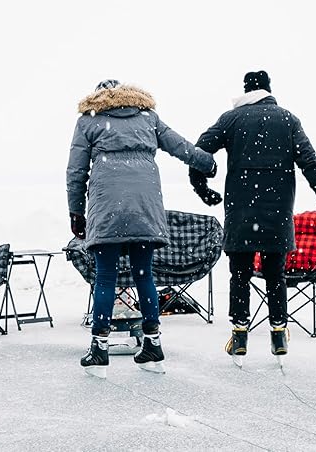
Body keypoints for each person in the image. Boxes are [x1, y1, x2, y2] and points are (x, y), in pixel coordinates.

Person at [67, 79, 216, 378]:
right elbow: (180, 146)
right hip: (144, 205)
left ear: (99, 97)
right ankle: (153, 344)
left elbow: (76, 170)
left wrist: (75, 211)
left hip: (107, 205)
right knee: (144, 274)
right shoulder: (147, 118)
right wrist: (206, 163)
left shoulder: (89, 121)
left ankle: (99, 349)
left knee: (106, 277)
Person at [191, 70, 316, 367]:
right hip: (277, 212)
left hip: (241, 211)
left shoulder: (232, 119)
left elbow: (200, 151)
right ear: (268, 90)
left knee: (239, 274)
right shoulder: (287, 119)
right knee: (275, 274)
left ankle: (240, 335)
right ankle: (279, 332)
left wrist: (202, 186)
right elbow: (309, 162)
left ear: (246, 91)